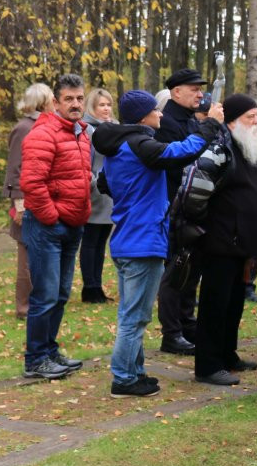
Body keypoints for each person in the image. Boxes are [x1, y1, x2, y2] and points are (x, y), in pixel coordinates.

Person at [93, 90, 223, 397]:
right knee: (134, 316)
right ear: (142, 116)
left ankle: (135, 372)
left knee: (132, 312)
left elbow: (105, 183)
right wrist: (210, 125)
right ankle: (124, 379)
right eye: (155, 110)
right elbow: (180, 151)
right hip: (142, 241)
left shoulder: (119, 147)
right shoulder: (140, 145)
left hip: (128, 239)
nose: (161, 114)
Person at [18, 74, 92, 379]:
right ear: (56, 102)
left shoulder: (81, 132)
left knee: (60, 294)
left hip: (72, 225)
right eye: (69, 99)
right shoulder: (43, 133)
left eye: (79, 98)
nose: (75, 104)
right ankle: (35, 360)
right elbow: (32, 183)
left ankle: (49, 351)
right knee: (45, 295)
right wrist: (52, 217)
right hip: (48, 226)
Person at [193, 95, 257, 386]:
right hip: (220, 241)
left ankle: (227, 354)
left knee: (235, 302)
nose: (256, 122)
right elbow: (197, 191)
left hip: (242, 243)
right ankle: (208, 365)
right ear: (233, 121)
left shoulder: (247, 149)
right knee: (215, 303)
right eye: (250, 117)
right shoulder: (220, 149)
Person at [155, 67, 206, 355]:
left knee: (191, 269)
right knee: (176, 270)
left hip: (193, 206)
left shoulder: (188, 118)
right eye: (194, 89)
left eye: (200, 89)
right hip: (175, 205)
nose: (200, 94)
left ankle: (187, 324)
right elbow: (178, 160)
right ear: (176, 92)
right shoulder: (168, 121)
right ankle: (171, 333)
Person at [5, 83, 53, 320]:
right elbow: (14, 169)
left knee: (38, 256)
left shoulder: (43, 126)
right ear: (43, 101)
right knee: (26, 257)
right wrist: (19, 204)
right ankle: (24, 308)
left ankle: (38, 302)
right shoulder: (24, 128)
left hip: (42, 201)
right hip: (25, 203)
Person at [80, 88, 115, 303]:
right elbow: (86, 161)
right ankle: (89, 287)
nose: (106, 108)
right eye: (102, 105)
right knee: (91, 240)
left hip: (109, 194)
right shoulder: (87, 129)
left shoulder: (113, 128)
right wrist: (93, 184)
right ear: (92, 107)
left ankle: (97, 285)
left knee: (102, 241)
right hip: (94, 192)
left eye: (109, 104)